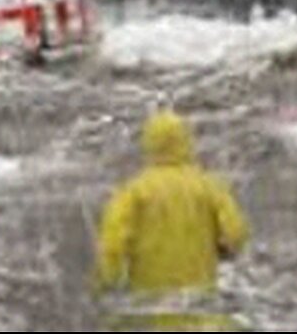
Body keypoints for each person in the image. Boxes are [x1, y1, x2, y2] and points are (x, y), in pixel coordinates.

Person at [94, 110, 250, 298]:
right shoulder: (209, 187)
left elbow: (113, 242)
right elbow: (235, 233)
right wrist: (224, 251)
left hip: (150, 299)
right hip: (198, 298)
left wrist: (109, 280)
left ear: (148, 144)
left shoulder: (134, 191)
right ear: (187, 141)